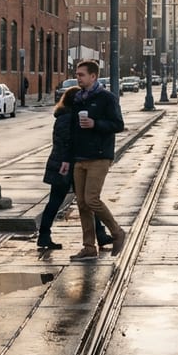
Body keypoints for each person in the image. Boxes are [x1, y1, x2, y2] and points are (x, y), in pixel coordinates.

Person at [36, 86, 112, 251]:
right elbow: (65, 144)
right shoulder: (67, 119)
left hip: (68, 164)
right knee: (65, 201)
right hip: (65, 166)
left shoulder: (67, 117)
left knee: (86, 201)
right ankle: (44, 235)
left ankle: (100, 234)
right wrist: (66, 162)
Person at [68, 60, 127, 260]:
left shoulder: (107, 98)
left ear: (93, 76)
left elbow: (118, 124)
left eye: (81, 75)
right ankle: (88, 247)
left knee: (92, 199)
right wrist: (69, 157)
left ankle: (117, 232)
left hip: (99, 156)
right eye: (77, 74)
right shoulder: (78, 99)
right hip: (80, 157)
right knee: (82, 203)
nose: (78, 78)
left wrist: (95, 124)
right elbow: (72, 130)